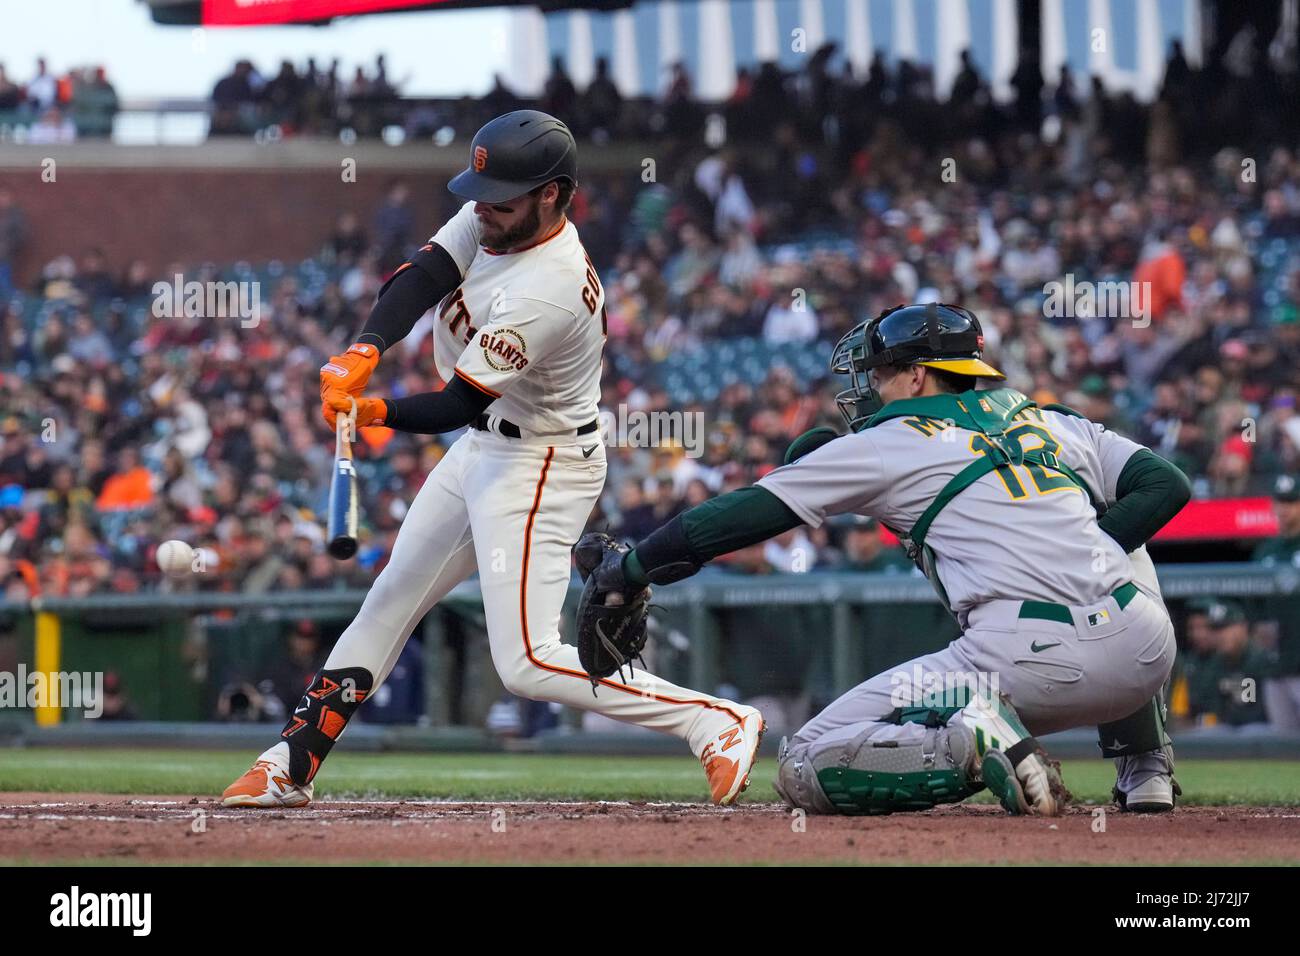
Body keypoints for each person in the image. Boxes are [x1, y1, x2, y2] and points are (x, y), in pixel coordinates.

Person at [223, 110, 763, 809]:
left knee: (528, 663)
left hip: (542, 461)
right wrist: (365, 349)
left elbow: (456, 403)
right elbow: (421, 276)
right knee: (390, 598)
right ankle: (290, 763)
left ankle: (715, 720)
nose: (482, 208)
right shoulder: (493, 216)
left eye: (502, 196)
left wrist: (375, 410)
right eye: (480, 192)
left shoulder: (550, 284)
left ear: (552, 193)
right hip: (486, 446)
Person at [581, 303, 1190, 816]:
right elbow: (1166, 485)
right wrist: (1086, 557)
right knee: (1114, 538)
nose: (870, 386)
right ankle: (1146, 770)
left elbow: (741, 514)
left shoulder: (886, 443)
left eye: (880, 372)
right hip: (1145, 652)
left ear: (919, 377)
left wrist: (631, 569)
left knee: (803, 760)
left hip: (1023, 667)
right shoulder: (1046, 420)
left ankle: (973, 738)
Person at [1253, 474, 1300, 729]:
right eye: (1280, 502)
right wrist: (1258, 624)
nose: (1284, 509)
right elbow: (1253, 604)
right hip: (1276, 667)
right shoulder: (1266, 551)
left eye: (1291, 502)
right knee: (1282, 751)